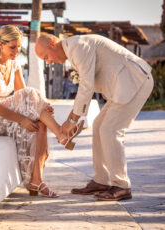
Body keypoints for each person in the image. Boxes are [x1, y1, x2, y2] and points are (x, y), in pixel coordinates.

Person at [35, 33, 154, 201]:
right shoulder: (74, 49)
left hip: (135, 80)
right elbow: (85, 88)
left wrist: (71, 121)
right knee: (99, 125)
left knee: (110, 130)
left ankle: (121, 185)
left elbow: (86, 86)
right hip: (123, 87)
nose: (48, 62)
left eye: (46, 56)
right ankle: (101, 180)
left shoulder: (78, 46)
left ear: (53, 44)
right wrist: (71, 120)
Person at [0, 25, 84, 198]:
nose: (17, 51)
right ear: (0, 45)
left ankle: (37, 181)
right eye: (12, 47)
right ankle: (61, 134)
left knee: (39, 124)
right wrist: (23, 118)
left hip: (3, 114)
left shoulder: (14, 64)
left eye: (19, 47)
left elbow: (22, 96)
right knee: (32, 98)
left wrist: (40, 108)